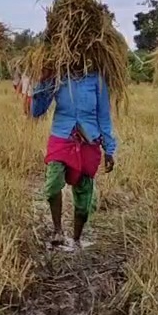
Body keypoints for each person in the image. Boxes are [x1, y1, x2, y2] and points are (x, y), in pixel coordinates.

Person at [31, 66, 116, 247]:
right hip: (61, 137)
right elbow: (36, 111)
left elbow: (104, 116)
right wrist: (43, 82)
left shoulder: (97, 80)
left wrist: (109, 149)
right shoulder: (58, 78)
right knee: (52, 185)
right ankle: (57, 231)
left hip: (89, 140)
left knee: (84, 198)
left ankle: (77, 240)